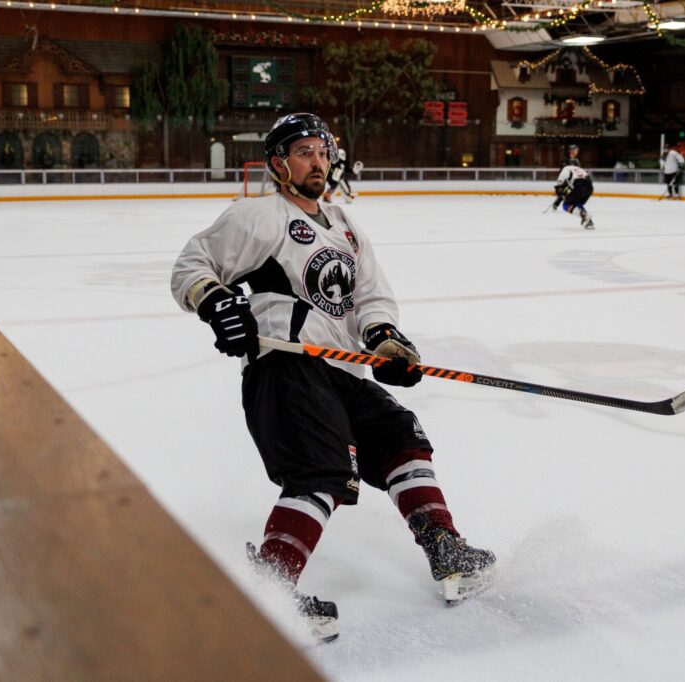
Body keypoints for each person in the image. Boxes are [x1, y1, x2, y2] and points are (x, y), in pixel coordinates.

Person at [170, 113, 495, 641]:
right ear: (278, 164)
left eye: (321, 151)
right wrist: (216, 304)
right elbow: (191, 265)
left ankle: (447, 549)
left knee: (400, 439)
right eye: (304, 152)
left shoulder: (344, 224)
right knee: (319, 473)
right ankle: (270, 588)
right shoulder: (259, 215)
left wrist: (386, 338)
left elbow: (369, 297)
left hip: (340, 369)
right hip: (288, 364)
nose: (317, 161)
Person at [551, 161, 595, 229]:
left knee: (566, 205)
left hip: (579, 185)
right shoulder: (578, 169)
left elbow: (559, 187)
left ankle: (584, 215)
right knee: (576, 202)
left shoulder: (566, 168)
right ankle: (589, 222)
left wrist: (559, 195)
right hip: (590, 187)